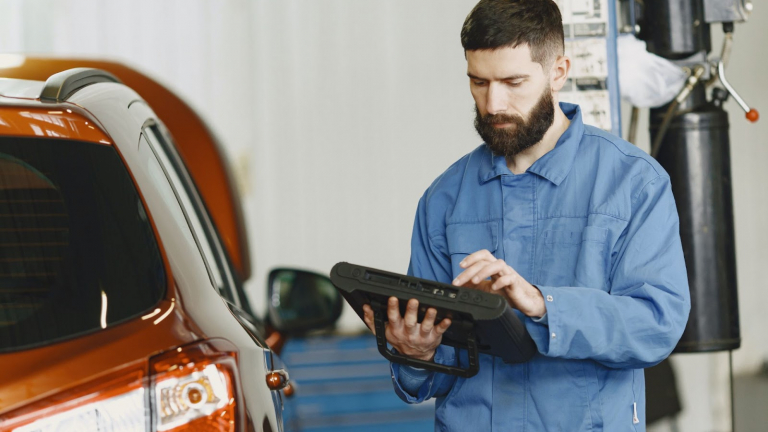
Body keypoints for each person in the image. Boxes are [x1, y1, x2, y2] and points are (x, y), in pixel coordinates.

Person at [361, 0, 691, 430]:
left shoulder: (632, 183)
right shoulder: (444, 199)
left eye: (512, 81)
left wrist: (542, 304)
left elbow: (656, 324)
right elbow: (438, 368)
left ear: (558, 71)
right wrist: (416, 353)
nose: (493, 103)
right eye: (478, 82)